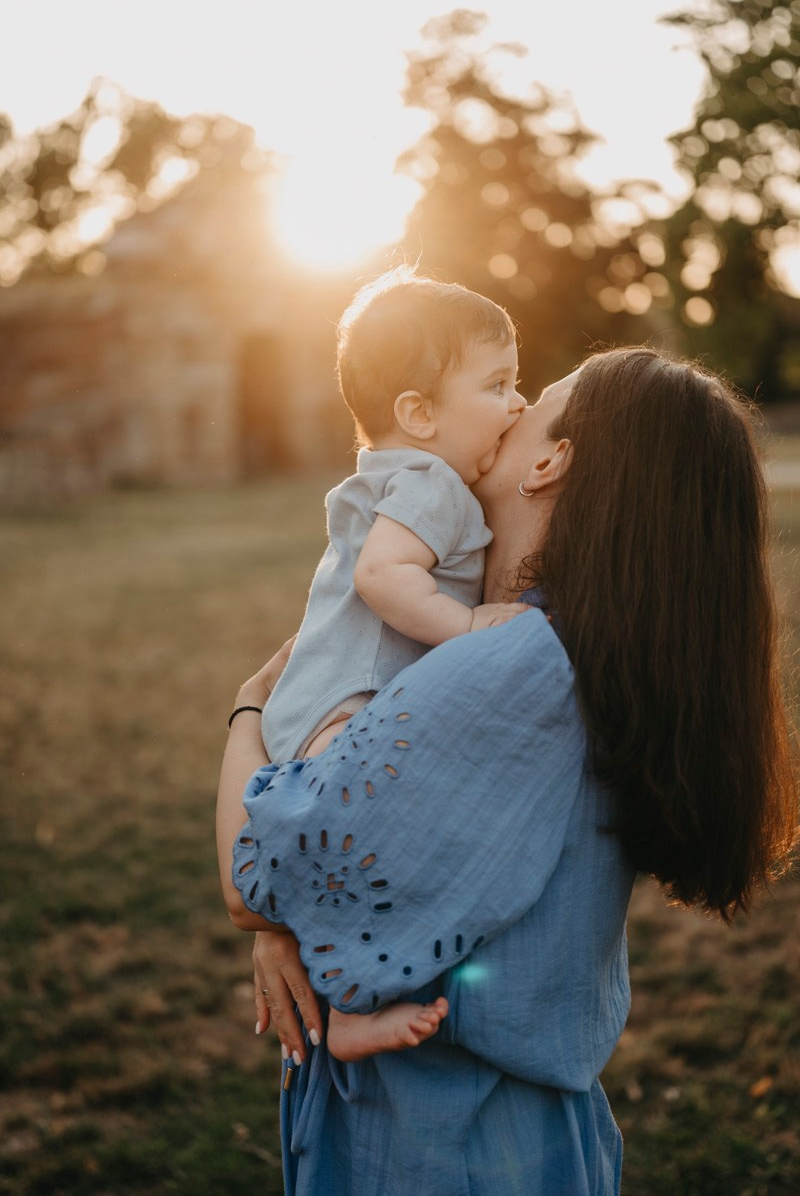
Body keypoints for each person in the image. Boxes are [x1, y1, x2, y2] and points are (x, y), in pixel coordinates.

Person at [217, 346, 797, 1196]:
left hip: (441, 1147)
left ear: (551, 460)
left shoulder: (512, 666)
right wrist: (292, 924)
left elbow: (255, 878)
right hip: (509, 1136)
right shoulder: (580, 652)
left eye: (530, 401)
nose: (510, 407)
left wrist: (245, 712)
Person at [258, 267, 529, 1060]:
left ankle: (344, 1003)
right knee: (362, 854)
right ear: (419, 413)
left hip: (311, 709)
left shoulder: (396, 474)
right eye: (500, 384)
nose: (519, 403)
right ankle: (348, 1008)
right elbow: (384, 579)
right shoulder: (431, 480)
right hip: (349, 706)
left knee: (349, 865)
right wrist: (471, 622)